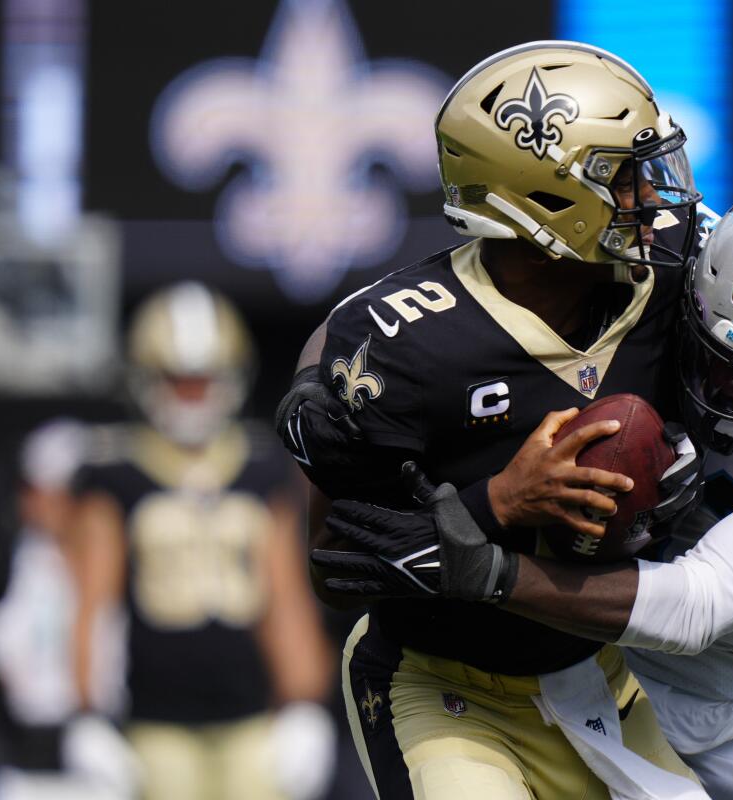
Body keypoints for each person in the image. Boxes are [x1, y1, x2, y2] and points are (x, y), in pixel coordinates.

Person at [312, 172, 733, 799]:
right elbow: (416, 308)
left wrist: (489, 570)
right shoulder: (669, 250)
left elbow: (700, 603)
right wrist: (319, 376)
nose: (723, 394)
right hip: (601, 683)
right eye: (708, 357)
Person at [277, 41, 708, 800]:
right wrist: (497, 504)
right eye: (624, 176)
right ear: (546, 199)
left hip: (607, 676)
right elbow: (333, 564)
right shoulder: (414, 344)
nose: (654, 197)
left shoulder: (671, 271)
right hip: (446, 691)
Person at [71, 283, 336, 800]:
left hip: (252, 716)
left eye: (204, 380)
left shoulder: (260, 467)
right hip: (152, 721)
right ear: (146, 379)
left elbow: (284, 596)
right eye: (178, 381)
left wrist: (305, 701)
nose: (193, 396)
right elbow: (90, 605)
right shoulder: (116, 472)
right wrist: (85, 712)